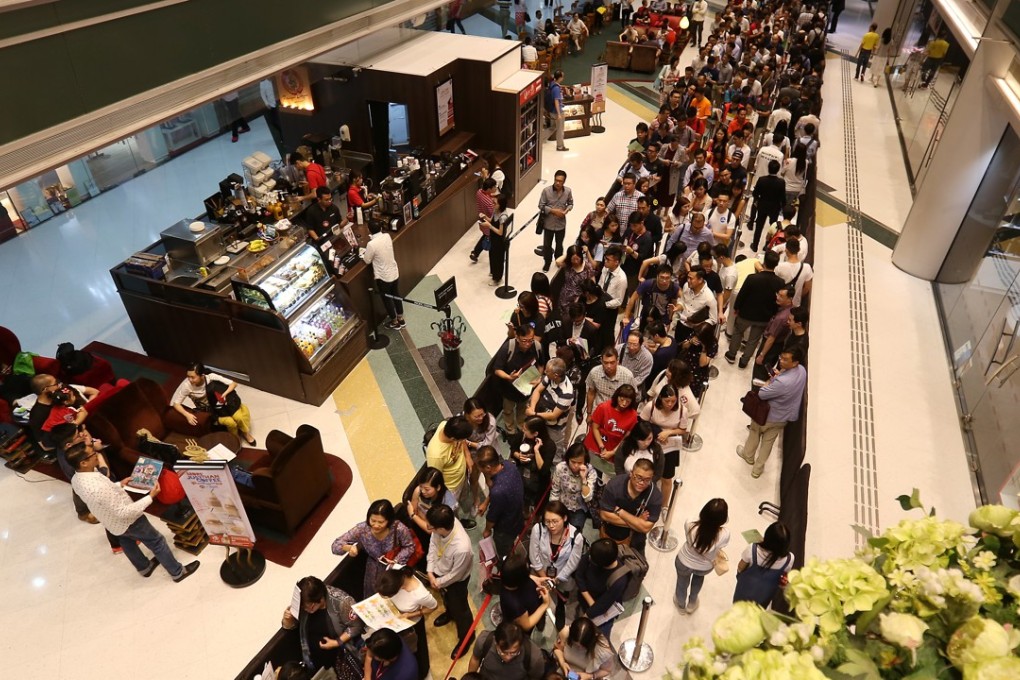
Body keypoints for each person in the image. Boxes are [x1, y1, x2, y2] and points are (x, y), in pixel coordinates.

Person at [67, 443, 200, 581]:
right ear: (83, 463)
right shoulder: (98, 487)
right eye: (93, 454)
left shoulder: (77, 479)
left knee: (126, 542)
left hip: (111, 523)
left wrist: (119, 484)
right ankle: (177, 572)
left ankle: (144, 567)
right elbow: (124, 512)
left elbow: (102, 497)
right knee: (156, 541)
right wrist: (150, 497)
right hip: (130, 521)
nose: (97, 455)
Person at [737, 347, 807, 478]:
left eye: (785, 359)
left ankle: (748, 456)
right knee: (768, 443)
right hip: (784, 417)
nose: (781, 360)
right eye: (781, 357)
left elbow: (763, 394)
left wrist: (771, 381)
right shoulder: (802, 371)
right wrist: (778, 376)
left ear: (795, 362)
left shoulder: (782, 382)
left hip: (767, 416)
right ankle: (757, 469)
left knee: (754, 432)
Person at [332, 499, 418, 595]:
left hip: (394, 570)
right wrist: (348, 548)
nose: (376, 525)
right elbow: (336, 545)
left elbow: (409, 546)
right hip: (373, 570)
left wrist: (397, 560)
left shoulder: (399, 529)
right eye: (373, 520)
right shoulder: (362, 529)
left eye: (381, 522)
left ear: (389, 520)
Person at [281, 575, 364, 674]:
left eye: (309, 607)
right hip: (312, 657)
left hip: (340, 657)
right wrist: (287, 619)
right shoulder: (302, 603)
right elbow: (290, 626)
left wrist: (337, 642)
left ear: (320, 600)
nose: (305, 610)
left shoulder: (342, 602)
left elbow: (357, 625)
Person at [425, 505, 476, 658]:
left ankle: (467, 637)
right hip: (439, 573)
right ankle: (450, 614)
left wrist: (438, 582)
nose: (428, 527)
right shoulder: (441, 528)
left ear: (442, 528)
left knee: (460, 608)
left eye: (431, 526)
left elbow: (456, 574)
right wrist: (430, 570)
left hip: (455, 581)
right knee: (447, 600)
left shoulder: (462, 547)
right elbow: (433, 546)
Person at [529, 500, 585, 629]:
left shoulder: (576, 536)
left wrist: (556, 580)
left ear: (564, 518)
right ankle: (540, 612)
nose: (551, 526)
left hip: (563, 576)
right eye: (547, 521)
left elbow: (573, 563)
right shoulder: (538, 529)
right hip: (541, 572)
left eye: (555, 521)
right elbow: (534, 555)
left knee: (562, 596)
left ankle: (560, 609)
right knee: (540, 594)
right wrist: (544, 577)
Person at [725, 250, 784, 368]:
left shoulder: (752, 278)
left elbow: (742, 294)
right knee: (754, 339)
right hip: (764, 317)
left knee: (738, 332)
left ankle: (731, 355)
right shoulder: (780, 282)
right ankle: (744, 361)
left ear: (764, 262)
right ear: (776, 264)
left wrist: (737, 307)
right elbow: (777, 302)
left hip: (746, 313)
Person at [171, 362, 255, 445]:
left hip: (221, 406)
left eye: (193, 377)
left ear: (201, 375)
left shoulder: (210, 377)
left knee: (239, 417)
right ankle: (235, 439)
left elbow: (233, 384)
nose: (190, 380)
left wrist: (224, 394)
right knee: (230, 422)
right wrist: (187, 415)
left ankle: (246, 434)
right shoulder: (187, 386)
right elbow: (176, 403)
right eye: (188, 376)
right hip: (210, 411)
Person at [377, 567, 436, 676]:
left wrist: (411, 614)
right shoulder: (395, 572)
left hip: (413, 623)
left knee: (418, 649)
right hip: (396, 617)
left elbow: (433, 606)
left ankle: (421, 672)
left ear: (397, 589)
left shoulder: (420, 594)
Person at [674, 498, 729, 614]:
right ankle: (692, 603)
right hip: (705, 566)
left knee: (681, 583)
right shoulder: (724, 534)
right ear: (723, 519)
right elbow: (721, 546)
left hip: (684, 560)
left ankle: (680, 604)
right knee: (698, 581)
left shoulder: (689, 523)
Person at [599, 458, 662, 552]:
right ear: (631, 473)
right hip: (611, 532)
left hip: (636, 538)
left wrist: (620, 512)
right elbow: (604, 514)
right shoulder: (615, 485)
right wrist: (637, 521)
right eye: (638, 477)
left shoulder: (654, 496)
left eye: (647, 480)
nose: (641, 483)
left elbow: (645, 527)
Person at [492, 325, 544, 436]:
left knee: (522, 410)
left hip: (526, 387)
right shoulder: (508, 348)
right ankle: (510, 430)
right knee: (508, 410)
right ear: (517, 337)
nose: (527, 344)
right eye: (524, 341)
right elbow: (497, 369)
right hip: (509, 389)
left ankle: (521, 427)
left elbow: (541, 364)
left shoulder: (537, 346)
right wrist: (509, 377)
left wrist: (539, 377)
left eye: (530, 340)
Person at [477, 445, 525, 562]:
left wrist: (487, 530)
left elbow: (492, 517)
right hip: (518, 517)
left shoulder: (498, 491)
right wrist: (486, 502)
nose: (479, 470)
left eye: (480, 467)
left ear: (488, 467)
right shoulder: (509, 465)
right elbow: (496, 490)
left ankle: (507, 564)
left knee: (504, 551)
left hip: (506, 528)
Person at [575, 538, 631, 637]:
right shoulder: (594, 552)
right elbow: (579, 575)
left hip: (604, 613)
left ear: (600, 564)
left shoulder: (619, 580)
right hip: (588, 602)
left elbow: (602, 605)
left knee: (600, 636)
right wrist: (590, 600)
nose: (589, 556)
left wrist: (583, 620)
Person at [639, 384, 686, 499]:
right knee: (646, 471)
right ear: (660, 398)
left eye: (673, 401)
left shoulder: (682, 411)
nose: (670, 404)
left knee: (667, 477)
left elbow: (683, 430)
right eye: (667, 401)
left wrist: (668, 432)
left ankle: (665, 505)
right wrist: (657, 432)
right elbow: (641, 423)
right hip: (652, 443)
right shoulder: (651, 406)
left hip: (670, 446)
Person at [733, 521, 794, 607]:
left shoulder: (752, 549)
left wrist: (739, 575)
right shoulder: (789, 558)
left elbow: (740, 567)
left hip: (744, 590)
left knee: (738, 609)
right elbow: (783, 578)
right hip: (765, 595)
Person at [363, 219, 405, 329]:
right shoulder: (387, 236)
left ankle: (394, 322)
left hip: (383, 277)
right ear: (381, 228)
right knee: (396, 295)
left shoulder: (371, 244)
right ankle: (401, 318)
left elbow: (367, 260)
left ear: (369, 230)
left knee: (387, 300)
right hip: (394, 272)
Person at [526, 357, 575, 453]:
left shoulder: (566, 393)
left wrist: (534, 414)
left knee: (555, 447)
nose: (545, 372)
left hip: (554, 426)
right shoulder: (549, 377)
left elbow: (553, 415)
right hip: (540, 416)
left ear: (556, 375)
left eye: (547, 371)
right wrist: (532, 409)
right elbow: (537, 391)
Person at [425, 415, 474, 509]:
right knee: (452, 509)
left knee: (462, 498)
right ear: (453, 439)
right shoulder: (436, 455)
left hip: (461, 478)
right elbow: (435, 478)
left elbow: (462, 440)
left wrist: (467, 456)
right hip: (451, 487)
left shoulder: (445, 425)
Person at [468, 621, 546, 680]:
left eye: (513, 653)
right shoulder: (485, 641)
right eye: (502, 652)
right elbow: (475, 659)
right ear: (495, 642)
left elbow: (535, 678)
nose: (507, 658)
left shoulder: (534, 657)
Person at [405, 467, 459, 551]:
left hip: (440, 534)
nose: (422, 491)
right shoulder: (418, 490)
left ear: (438, 487)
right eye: (421, 487)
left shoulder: (447, 503)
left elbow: (431, 530)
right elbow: (414, 509)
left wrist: (413, 516)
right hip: (424, 526)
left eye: (427, 489)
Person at [584, 383, 639, 463]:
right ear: (617, 397)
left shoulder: (633, 415)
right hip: (595, 444)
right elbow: (595, 428)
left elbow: (626, 437)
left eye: (628, 401)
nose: (624, 403)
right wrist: (602, 447)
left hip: (613, 449)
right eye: (622, 399)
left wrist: (613, 452)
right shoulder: (604, 407)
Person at [499, 553, 552, 634]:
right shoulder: (514, 604)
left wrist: (536, 579)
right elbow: (526, 625)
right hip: (527, 620)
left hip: (533, 603)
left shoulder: (508, 579)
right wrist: (545, 604)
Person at [549, 443, 598, 530]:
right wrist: (553, 509)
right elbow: (555, 490)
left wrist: (583, 479)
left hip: (579, 509)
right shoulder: (560, 468)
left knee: (575, 533)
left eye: (579, 463)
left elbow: (588, 498)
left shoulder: (590, 472)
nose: (575, 466)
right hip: (562, 505)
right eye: (573, 462)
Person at [512, 415, 555, 511]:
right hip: (523, 476)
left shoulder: (549, 446)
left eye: (525, 429)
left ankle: (536, 518)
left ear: (535, 433)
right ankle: (525, 511)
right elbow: (513, 450)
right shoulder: (522, 436)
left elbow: (544, 470)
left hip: (538, 483)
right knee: (523, 499)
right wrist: (519, 456)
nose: (523, 430)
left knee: (539, 506)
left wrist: (536, 451)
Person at [622, 264, 679, 332]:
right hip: (647, 315)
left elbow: (673, 305)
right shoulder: (648, 284)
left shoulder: (674, 288)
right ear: (657, 276)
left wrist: (669, 320)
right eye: (662, 277)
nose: (664, 281)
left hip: (663, 317)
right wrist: (626, 316)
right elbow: (633, 298)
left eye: (667, 278)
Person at [539, 170, 575, 272]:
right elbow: (541, 206)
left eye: (560, 181)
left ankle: (558, 260)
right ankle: (547, 262)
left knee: (559, 244)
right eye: (556, 180)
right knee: (547, 245)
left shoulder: (568, 191)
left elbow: (571, 203)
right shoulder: (546, 191)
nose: (558, 183)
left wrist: (567, 210)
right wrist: (553, 211)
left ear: (564, 181)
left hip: (561, 224)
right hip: (548, 224)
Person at [584, 347, 637, 415]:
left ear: (617, 361)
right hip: (599, 410)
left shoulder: (628, 375)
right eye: (606, 363)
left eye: (612, 362)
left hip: (619, 412)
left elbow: (633, 396)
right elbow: (591, 393)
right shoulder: (594, 372)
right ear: (601, 360)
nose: (609, 366)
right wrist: (589, 413)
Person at [750, 160, 786, 252]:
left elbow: (755, 193)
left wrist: (758, 200)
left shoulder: (762, 180)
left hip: (762, 205)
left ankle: (755, 245)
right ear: (778, 170)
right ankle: (768, 245)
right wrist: (783, 206)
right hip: (775, 207)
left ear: (768, 168)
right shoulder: (781, 182)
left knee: (759, 226)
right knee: (773, 227)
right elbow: (782, 197)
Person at [482, 194, 512, 285]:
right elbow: (491, 220)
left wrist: (489, 226)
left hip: (499, 242)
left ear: (501, 205)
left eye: (495, 203)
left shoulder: (503, 216)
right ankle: (493, 272)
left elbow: (500, 232)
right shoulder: (495, 211)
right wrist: (484, 217)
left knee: (498, 259)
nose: (493, 205)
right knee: (492, 256)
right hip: (493, 239)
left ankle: (497, 278)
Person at [470, 178, 499, 263]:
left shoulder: (479, 192)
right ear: (489, 189)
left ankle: (475, 253)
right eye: (494, 187)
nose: (496, 188)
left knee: (485, 236)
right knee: (488, 238)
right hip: (488, 223)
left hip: (481, 220)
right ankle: (476, 253)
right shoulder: (489, 202)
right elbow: (494, 214)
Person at [549, 69, 569, 152]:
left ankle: (540, 138)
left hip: (551, 111)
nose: (563, 78)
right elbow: (556, 101)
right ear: (560, 78)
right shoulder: (556, 89)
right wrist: (559, 114)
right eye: (562, 76)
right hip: (557, 112)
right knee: (560, 129)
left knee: (553, 127)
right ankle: (560, 146)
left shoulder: (552, 84)